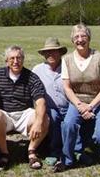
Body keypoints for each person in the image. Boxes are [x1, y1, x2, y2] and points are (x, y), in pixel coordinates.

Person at [54, 24, 100, 172]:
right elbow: (67, 87)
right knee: (68, 125)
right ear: (72, 40)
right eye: (76, 37)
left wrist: (91, 106)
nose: (80, 40)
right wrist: (79, 105)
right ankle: (67, 159)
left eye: (83, 36)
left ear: (89, 38)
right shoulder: (67, 59)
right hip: (78, 101)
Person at [0, 45, 49, 170]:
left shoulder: (31, 77)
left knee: (44, 118)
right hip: (4, 114)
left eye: (19, 58)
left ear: (23, 59)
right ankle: (4, 153)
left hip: (24, 113)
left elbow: (40, 101)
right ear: (6, 60)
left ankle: (31, 152)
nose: (16, 61)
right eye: (12, 58)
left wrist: (38, 122)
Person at [32, 37, 68, 166]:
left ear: (60, 53)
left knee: (72, 120)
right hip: (49, 108)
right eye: (47, 52)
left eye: (54, 51)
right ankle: (54, 151)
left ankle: (76, 150)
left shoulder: (68, 67)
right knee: (52, 116)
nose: (50, 54)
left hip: (68, 106)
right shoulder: (37, 70)